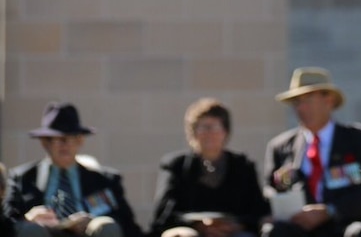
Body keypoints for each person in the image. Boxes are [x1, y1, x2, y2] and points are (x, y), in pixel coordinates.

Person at [262, 67, 361, 237]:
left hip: (344, 224)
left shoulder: (359, 140)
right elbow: (270, 190)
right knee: (273, 232)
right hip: (299, 228)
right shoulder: (280, 147)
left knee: (360, 233)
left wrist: (330, 211)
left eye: (307, 99)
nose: (300, 108)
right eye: (296, 102)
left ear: (329, 100)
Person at [4, 102, 144, 237]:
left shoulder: (104, 180)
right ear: (45, 142)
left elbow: (127, 225)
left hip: (88, 234)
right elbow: (6, 222)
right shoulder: (22, 178)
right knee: (29, 230)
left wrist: (91, 221)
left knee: (106, 225)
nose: (65, 145)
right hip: (42, 232)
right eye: (58, 139)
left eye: (71, 138)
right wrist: (27, 218)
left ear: (80, 140)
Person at [149, 98, 270, 237]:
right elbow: (164, 214)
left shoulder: (242, 166)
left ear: (225, 131)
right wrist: (198, 226)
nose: (209, 134)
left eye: (215, 127)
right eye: (203, 127)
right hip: (189, 230)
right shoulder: (176, 166)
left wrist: (233, 226)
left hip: (233, 231)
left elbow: (257, 210)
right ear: (193, 133)